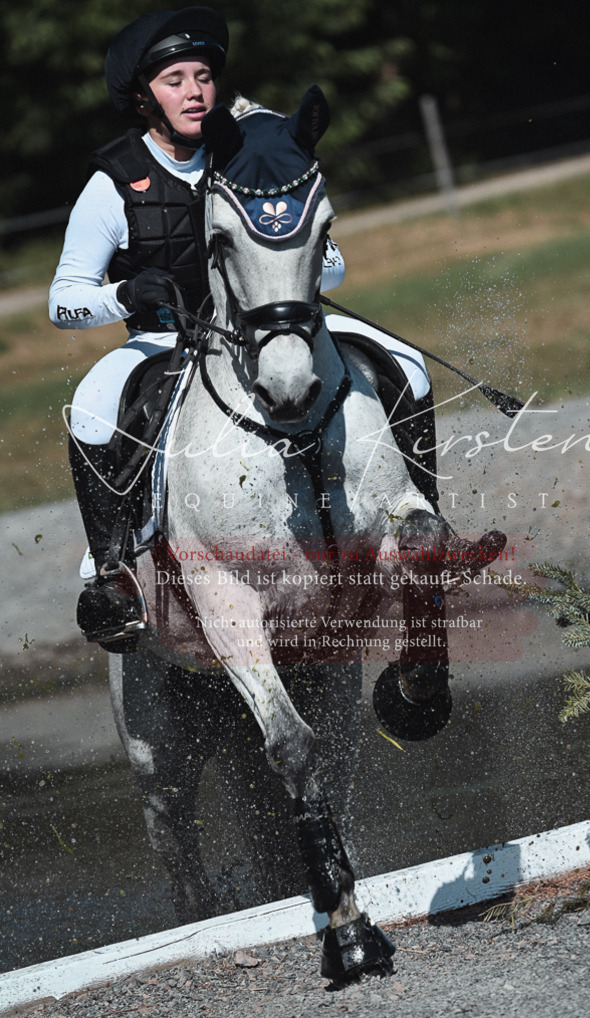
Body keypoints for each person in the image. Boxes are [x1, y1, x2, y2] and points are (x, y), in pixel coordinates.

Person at [50, 6, 438, 651]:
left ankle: (425, 524)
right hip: (164, 341)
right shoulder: (113, 183)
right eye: (175, 79)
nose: (195, 90)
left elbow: (331, 266)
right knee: (92, 407)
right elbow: (64, 303)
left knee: (407, 364)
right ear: (144, 96)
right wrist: (125, 292)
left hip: (271, 333)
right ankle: (112, 572)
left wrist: (314, 261)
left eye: (203, 75)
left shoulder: (253, 152)